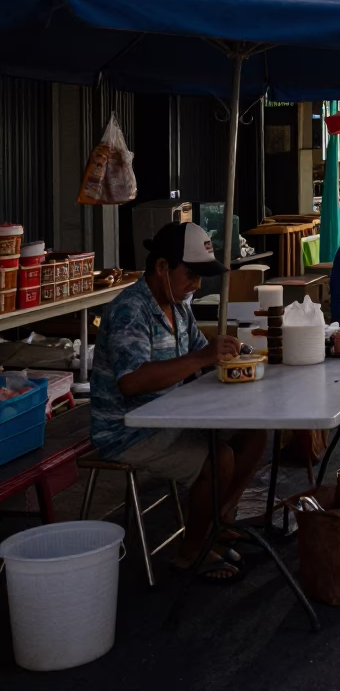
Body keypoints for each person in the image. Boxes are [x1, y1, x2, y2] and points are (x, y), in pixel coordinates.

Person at [90, 222, 266, 583]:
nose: (197, 285)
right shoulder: (130, 311)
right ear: (161, 267)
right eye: (191, 274)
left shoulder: (178, 307)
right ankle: (192, 553)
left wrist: (233, 354)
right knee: (219, 459)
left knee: (253, 434)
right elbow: (133, 381)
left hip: (171, 414)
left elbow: (200, 352)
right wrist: (202, 359)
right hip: (128, 429)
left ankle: (217, 524)